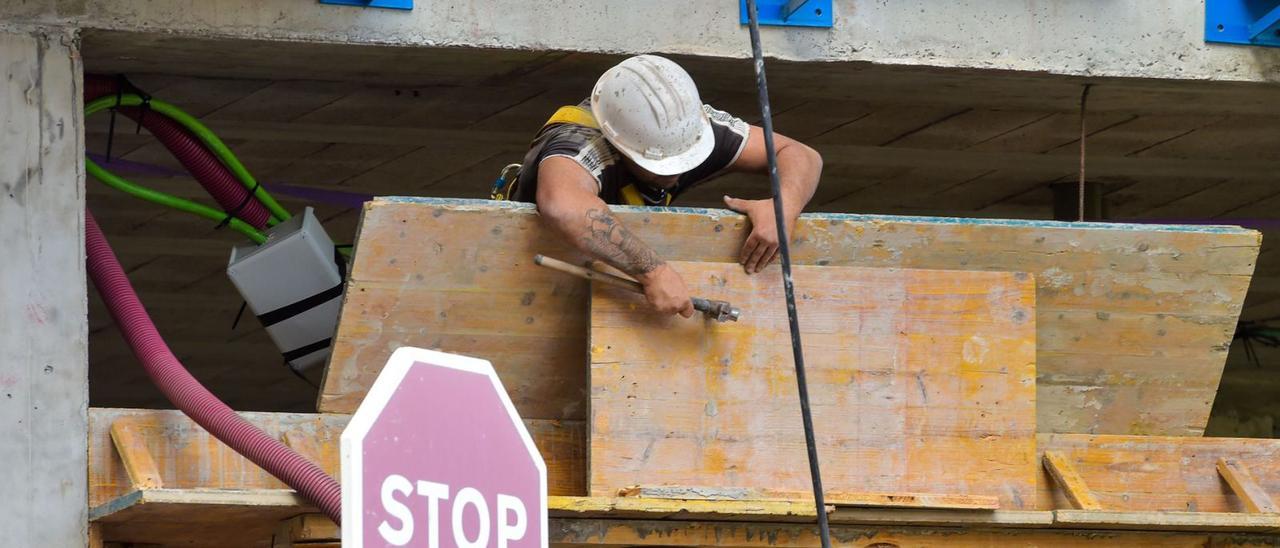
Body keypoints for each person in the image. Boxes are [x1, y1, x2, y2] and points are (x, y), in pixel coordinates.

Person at [497, 54, 822, 318]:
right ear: (620, 144)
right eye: (661, 165)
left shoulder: (692, 128)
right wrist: (652, 270)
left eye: (685, 160)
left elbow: (801, 155)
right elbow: (562, 205)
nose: (675, 175)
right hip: (526, 294)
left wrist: (785, 206)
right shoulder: (579, 143)